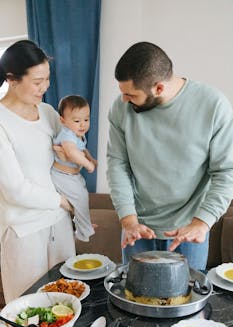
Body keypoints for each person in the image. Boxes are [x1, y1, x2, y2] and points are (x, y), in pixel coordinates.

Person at [107, 41, 233, 270]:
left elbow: (226, 172)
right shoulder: (120, 108)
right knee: (134, 301)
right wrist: (128, 219)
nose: (124, 100)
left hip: (188, 231)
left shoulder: (214, 105)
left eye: (131, 94)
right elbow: (117, 164)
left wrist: (201, 223)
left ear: (159, 88)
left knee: (186, 302)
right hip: (137, 228)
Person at [0, 40, 76, 303]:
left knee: (67, 302)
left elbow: (71, 146)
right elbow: (15, 190)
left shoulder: (47, 112)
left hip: (59, 222)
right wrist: (62, 201)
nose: (45, 87)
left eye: (47, 79)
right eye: (37, 81)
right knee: (28, 310)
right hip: (24, 230)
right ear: (12, 79)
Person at [51, 95, 97, 242]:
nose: (82, 124)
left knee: (83, 197)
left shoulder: (78, 134)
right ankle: (84, 232)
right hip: (63, 176)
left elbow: (82, 149)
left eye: (86, 119)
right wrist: (87, 164)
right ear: (63, 121)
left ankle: (83, 225)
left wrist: (90, 158)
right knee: (80, 198)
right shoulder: (67, 136)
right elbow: (72, 152)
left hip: (73, 176)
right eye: (77, 121)